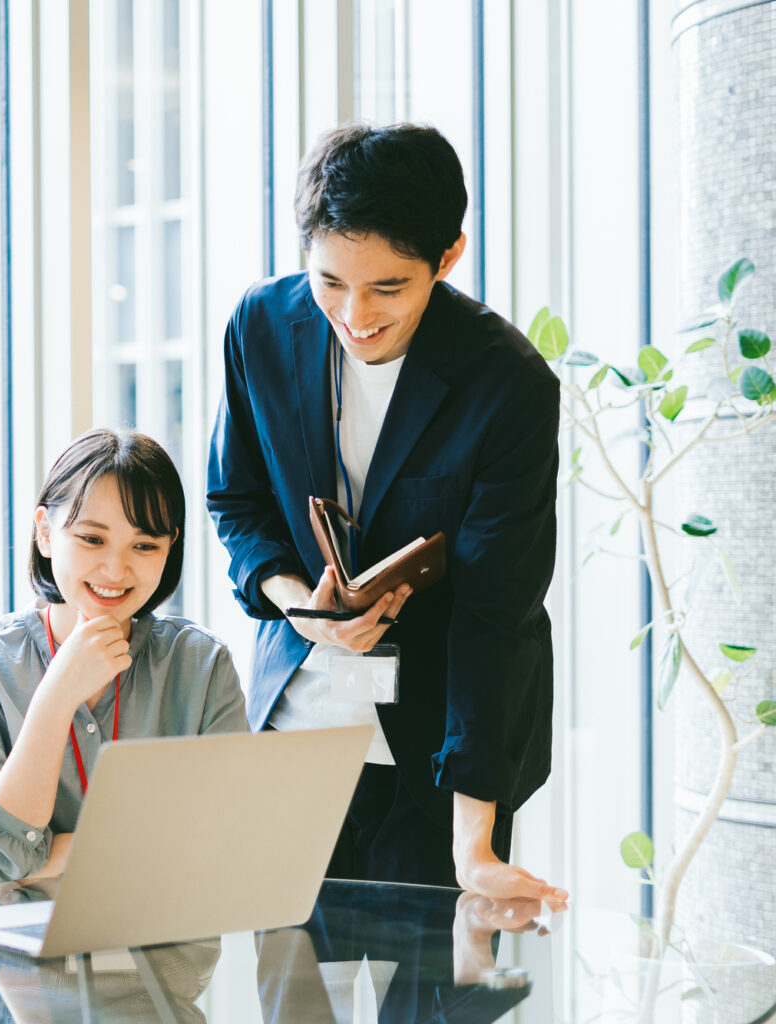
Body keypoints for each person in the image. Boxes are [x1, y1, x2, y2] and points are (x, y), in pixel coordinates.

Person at [206, 122, 566, 902]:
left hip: (443, 753)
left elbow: (495, 612)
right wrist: (297, 603)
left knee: (441, 999)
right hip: (295, 734)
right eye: (329, 281)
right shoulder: (261, 326)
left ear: (448, 257)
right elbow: (236, 499)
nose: (354, 313)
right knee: (287, 1000)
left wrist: (474, 843)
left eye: (388, 288)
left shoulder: (507, 385)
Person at [0, 429, 250, 883]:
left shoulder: (199, 664)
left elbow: (230, 843)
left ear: (169, 547)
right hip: (5, 949)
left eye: (144, 546)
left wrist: (39, 857)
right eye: (92, 540)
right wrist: (57, 696)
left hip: (161, 947)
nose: (116, 570)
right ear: (44, 532)